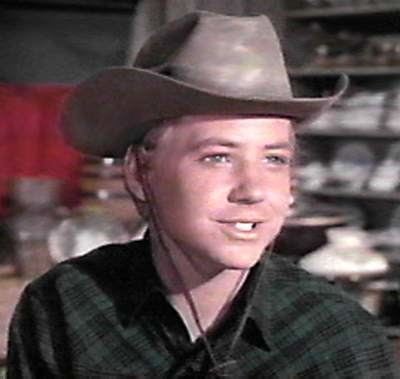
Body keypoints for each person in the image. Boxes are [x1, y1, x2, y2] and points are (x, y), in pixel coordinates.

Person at [6, 11, 400, 378]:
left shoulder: (335, 338)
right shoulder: (68, 306)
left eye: (275, 159)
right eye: (217, 157)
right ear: (141, 173)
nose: (253, 190)